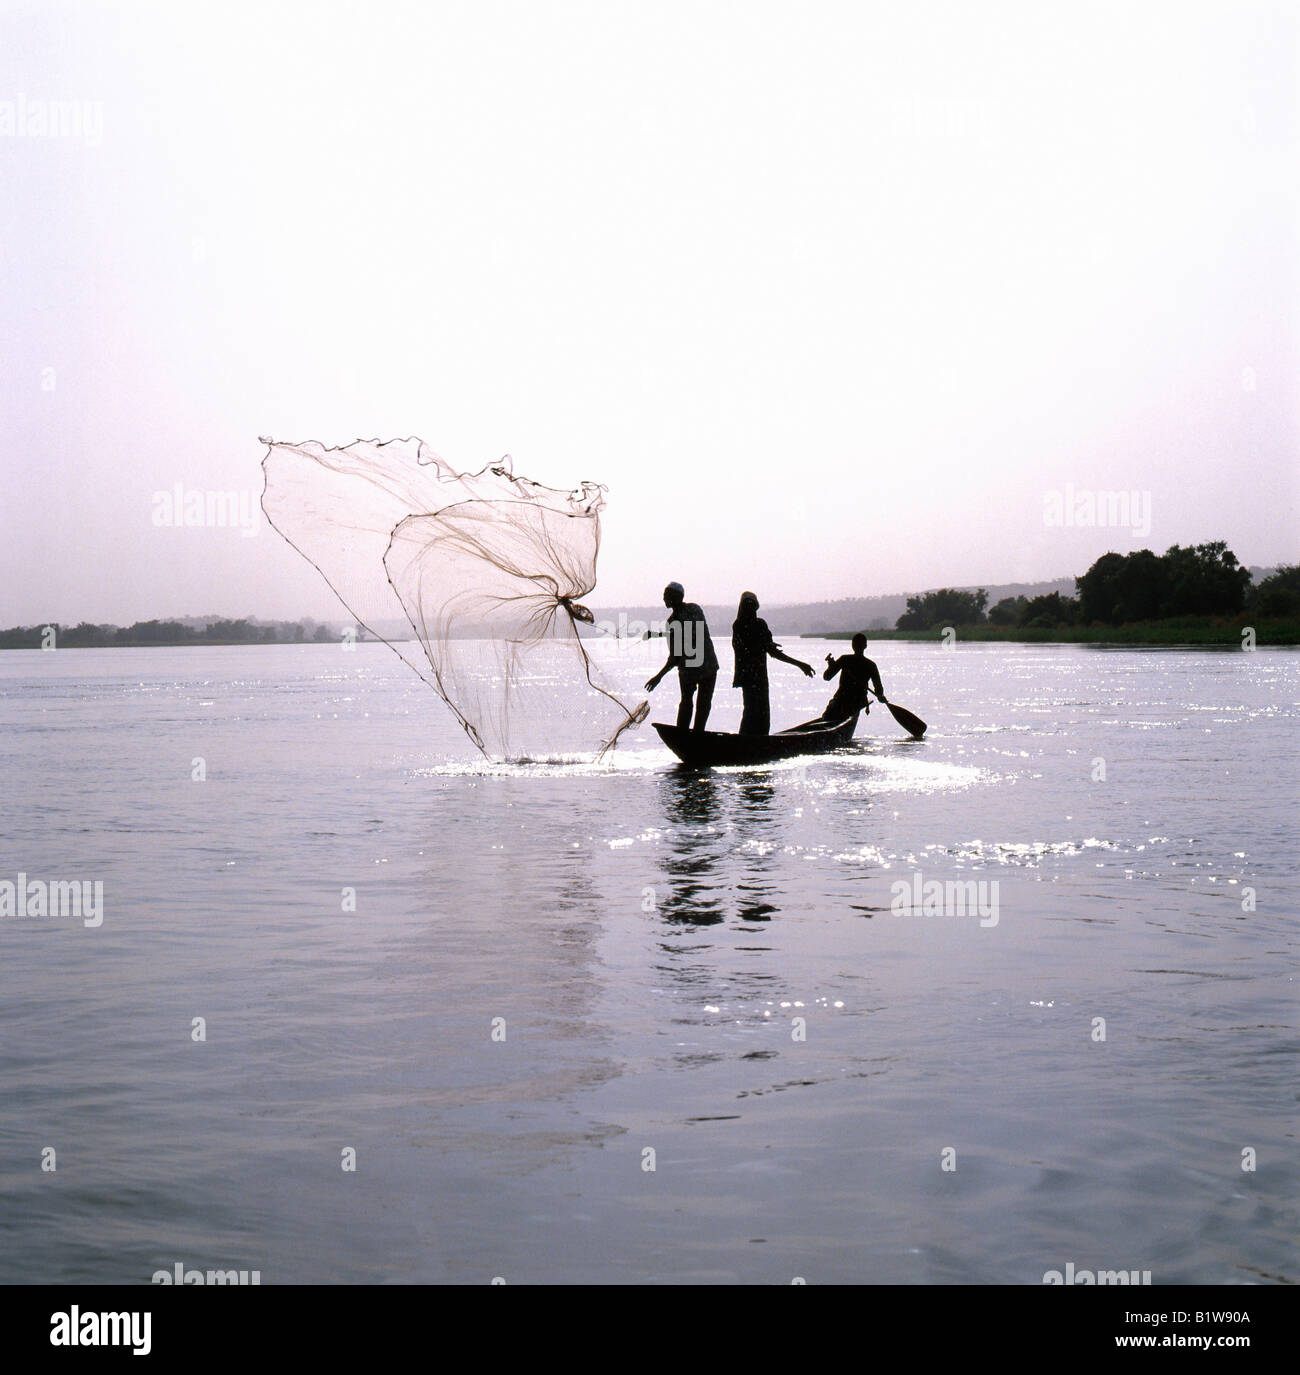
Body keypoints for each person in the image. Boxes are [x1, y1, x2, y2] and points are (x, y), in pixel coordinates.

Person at [731, 591, 814, 736]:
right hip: (748, 677)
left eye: (752, 605)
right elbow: (746, 648)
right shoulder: (738, 625)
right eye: (746, 605)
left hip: (760, 677)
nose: (749, 608)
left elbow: (772, 651)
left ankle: (757, 743)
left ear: (756, 607)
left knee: (762, 714)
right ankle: (746, 742)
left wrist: (800, 664)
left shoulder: (760, 624)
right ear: (742, 607)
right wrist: (764, 645)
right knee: (750, 711)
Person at [644, 582, 720, 731]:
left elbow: (690, 635)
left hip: (705, 667)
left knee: (699, 704)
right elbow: (675, 655)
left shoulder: (692, 610)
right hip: (693, 669)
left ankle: (695, 734)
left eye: (666, 595)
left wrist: (659, 676)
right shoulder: (675, 620)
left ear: (676, 597)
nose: (664, 599)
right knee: (689, 703)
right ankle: (686, 734)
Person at [820, 632, 885, 728]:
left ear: (852, 646)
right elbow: (879, 690)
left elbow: (826, 677)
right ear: (865, 646)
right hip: (856, 703)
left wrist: (831, 667)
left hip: (840, 701)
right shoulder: (871, 665)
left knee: (827, 718)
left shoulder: (845, 659)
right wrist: (880, 696)